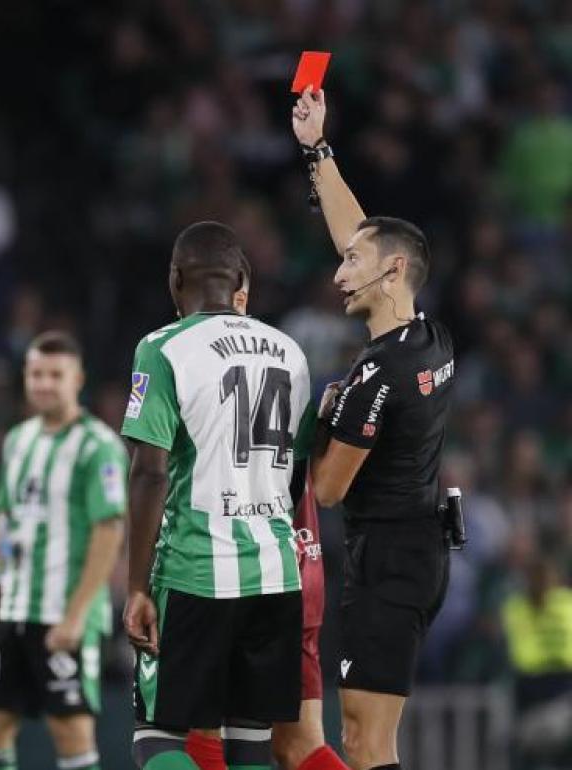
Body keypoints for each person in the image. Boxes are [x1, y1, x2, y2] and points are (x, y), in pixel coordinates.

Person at [293, 88, 456, 770]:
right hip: (417, 549)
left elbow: (328, 490)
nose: (339, 272)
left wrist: (321, 420)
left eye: (352, 263)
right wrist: (317, 149)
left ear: (394, 271)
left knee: (363, 742)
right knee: (366, 740)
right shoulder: (430, 335)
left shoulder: (377, 376)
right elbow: (360, 233)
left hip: (387, 559)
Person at [122, 221, 313, 770]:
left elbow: (150, 472)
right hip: (276, 574)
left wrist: (136, 588)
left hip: (196, 572)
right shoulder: (290, 352)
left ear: (175, 279)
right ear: (241, 281)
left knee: (156, 738)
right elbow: (296, 473)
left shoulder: (163, 348)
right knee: (249, 744)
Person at [185, 280, 349, 770]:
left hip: (237, 565)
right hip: (299, 562)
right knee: (297, 745)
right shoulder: (291, 368)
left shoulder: (196, 372)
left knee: (199, 730)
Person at [0, 331, 128, 770]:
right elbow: (5, 512)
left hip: (64, 613)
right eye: (36, 374)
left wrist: (76, 615)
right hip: (16, 608)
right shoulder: (18, 440)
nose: (44, 384)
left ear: (78, 379)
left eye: (55, 375)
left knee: (71, 731)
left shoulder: (98, 446)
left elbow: (109, 531)